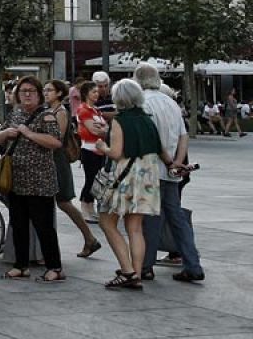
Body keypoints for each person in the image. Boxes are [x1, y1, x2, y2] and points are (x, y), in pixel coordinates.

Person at [134, 63, 204, 283]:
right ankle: (193, 264)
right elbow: (184, 136)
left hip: (150, 169)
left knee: (150, 220)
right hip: (171, 171)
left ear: (137, 80)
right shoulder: (171, 103)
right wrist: (177, 163)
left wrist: (169, 161)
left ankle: (146, 265)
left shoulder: (142, 103)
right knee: (177, 219)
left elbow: (150, 137)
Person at [97, 79, 169, 290]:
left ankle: (127, 271)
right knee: (135, 228)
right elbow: (161, 149)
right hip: (147, 178)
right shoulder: (147, 119)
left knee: (107, 223)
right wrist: (173, 164)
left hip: (126, 179)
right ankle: (136, 273)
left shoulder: (120, 120)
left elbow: (117, 153)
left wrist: (103, 145)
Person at [0, 76, 65, 283]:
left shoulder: (47, 116)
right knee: (18, 224)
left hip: (39, 180)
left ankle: (54, 267)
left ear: (39, 95)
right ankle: (21, 265)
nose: (27, 94)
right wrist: (5, 133)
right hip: (16, 179)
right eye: (23, 91)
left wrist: (28, 133)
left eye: (31, 91)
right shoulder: (14, 114)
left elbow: (55, 142)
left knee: (43, 226)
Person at [43, 80, 99, 258]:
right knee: (62, 202)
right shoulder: (51, 111)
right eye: (45, 90)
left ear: (59, 93)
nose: (46, 93)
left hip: (57, 161)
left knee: (64, 201)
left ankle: (90, 238)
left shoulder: (60, 112)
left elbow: (57, 138)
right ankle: (89, 239)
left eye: (50, 90)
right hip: (52, 160)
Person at [76, 81, 108, 211]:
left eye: (97, 91)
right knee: (91, 179)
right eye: (93, 92)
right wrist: (104, 130)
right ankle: (85, 206)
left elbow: (103, 127)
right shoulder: (84, 110)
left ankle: (90, 206)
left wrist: (103, 129)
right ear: (86, 93)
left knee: (96, 179)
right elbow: (94, 130)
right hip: (89, 148)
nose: (97, 94)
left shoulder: (96, 110)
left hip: (99, 148)